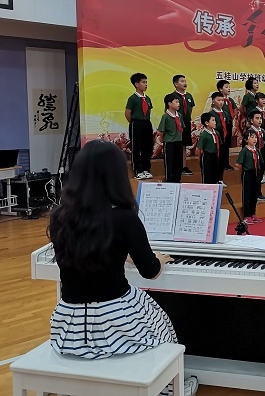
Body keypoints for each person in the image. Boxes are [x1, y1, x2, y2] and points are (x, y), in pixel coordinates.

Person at [47, 140, 198, 396]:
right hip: (114, 321)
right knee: (162, 327)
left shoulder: (60, 217)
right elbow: (150, 271)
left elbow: (91, 249)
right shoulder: (124, 218)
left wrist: (119, 253)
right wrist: (159, 258)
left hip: (68, 325)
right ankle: (170, 389)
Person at [125, 73, 153, 180]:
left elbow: (149, 111)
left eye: (146, 82)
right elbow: (127, 113)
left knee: (148, 146)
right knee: (136, 147)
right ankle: (138, 170)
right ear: (136, 84)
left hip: (147, 123)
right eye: (143, 82)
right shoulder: (133, 98)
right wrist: (134, 122)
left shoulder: (148, 98)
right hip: (136, 123)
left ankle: (146, 168)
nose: (146, 84)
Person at [236, 130, 263, 225]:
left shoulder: (257, 151)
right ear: (246, 140)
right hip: (247, 173)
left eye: (255, 137)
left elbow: (261, 162)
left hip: (256, 173)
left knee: (254, 194)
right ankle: (247, 215)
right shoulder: (244, 151)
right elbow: (238, 164)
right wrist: (245, 169)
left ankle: (253, 213)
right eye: (252, 137)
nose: (254, 139)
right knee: (247, 194)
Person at [170, 74, 195, 176]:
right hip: (176, 123)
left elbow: (190, 109)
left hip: (186, 123)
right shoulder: (172, 96)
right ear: (176, 84)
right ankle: (176, 166)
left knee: (184, 145)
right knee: (177, 145)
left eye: (185, 81)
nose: (185, 83)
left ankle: (183, 166)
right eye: (182, 81)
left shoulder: (189, 96)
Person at [157, 94, 184, 183]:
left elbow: (182, 127)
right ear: (169, 104)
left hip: (178, 142)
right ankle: (169, 180)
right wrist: (164, 138)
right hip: (169, 143)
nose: (178, 104)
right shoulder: (165, 116)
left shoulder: (179, 115)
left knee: (178, 162)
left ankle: (177, 180)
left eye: (178, 102)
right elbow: (160, 131)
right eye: (176, 102)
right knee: (169, 163)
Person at [209, 91, 230, 187]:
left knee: (222, 159)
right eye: (218, 100)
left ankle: (220, 179)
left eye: (222, 100)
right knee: (215, 159)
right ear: (213, 101)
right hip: (215, 138)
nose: (221, 102)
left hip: (224, 138)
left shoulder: (225, 113)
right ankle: (213, 179)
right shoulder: (211, 114)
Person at [248, 110, 265, 201]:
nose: (259, 120)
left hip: (260, 158)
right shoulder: (249, 132)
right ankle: (252, 194)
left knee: (259, 176)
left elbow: (264, 143)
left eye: (260, 118)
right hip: (252, 158)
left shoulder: (262, 131)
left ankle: (258, 193)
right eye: (257, 118)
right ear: (251, 120)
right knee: (252, 177)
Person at [217, 80, 236, 170]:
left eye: (229, 87)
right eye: (226, 87)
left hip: (228, 124)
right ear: (221, 89)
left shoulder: (230, 100)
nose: (229, 88)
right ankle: (220, 163)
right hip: (220, 126)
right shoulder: (218, 100)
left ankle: (226, 163)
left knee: (227, 144)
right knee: (221, 144)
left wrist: (231, 117)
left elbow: (235, 110)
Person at [196, 112, 220, 185]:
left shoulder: (216, 133)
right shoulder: (204, 135)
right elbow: (199, 148)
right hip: (207, 156)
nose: (215, 122)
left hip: (215, 156)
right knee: (207, 175)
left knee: (214, 174)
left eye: (215, 120)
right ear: (206, 123)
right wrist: (199, 159)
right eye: (212, 120)